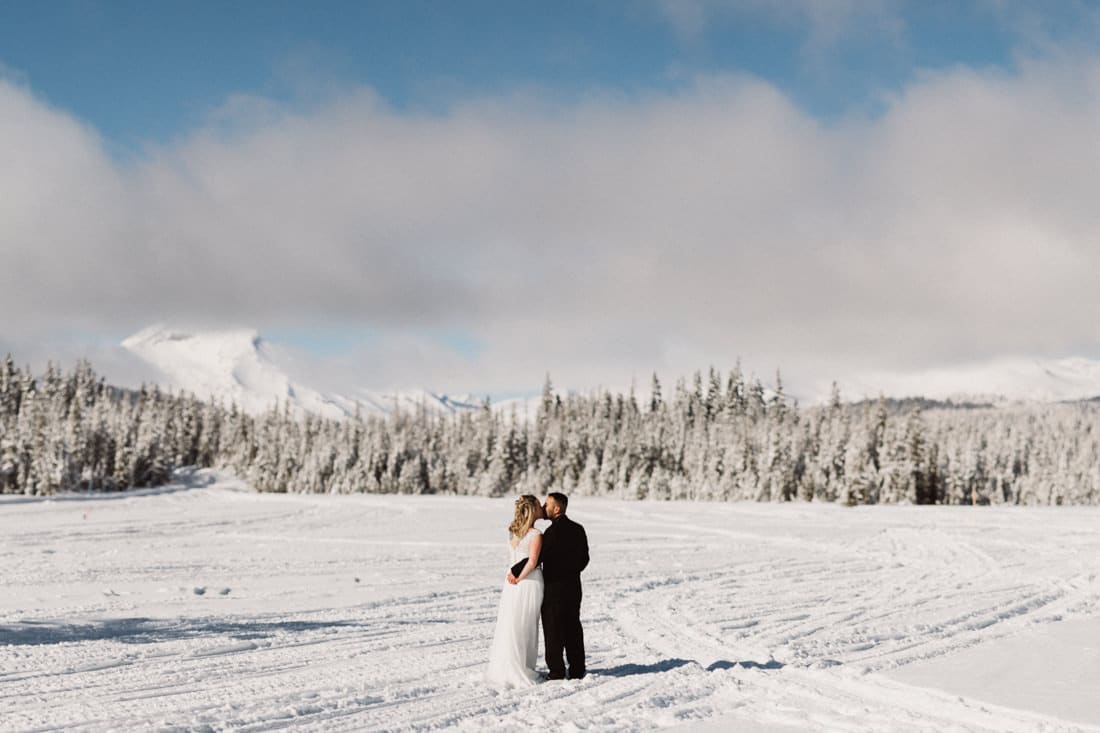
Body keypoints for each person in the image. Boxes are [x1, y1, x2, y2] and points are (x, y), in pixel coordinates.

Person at [485, 495, 545, 688]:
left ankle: (509, 664)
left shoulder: (513, 532)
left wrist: (515, 577)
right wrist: (520, 577)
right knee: (526, 623)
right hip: (528, 582)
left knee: (512, 621)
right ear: (532, 509)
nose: (541, 506)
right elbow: (533, 561)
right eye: (538, 504)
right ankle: (523, 665)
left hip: (511, 583)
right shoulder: (536, 534)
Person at [535, 492, 589, 680]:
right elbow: (584, 559)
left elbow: (538, 558)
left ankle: (557, 671)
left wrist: (515, 570)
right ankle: (577, 669)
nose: (544, 507)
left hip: (554, 588)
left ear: (557, 508)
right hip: (573, 587)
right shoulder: (578, 529)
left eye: (547, 504)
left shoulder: (552, 532)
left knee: (553, 631)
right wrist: (571, 572)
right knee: (573, 627)